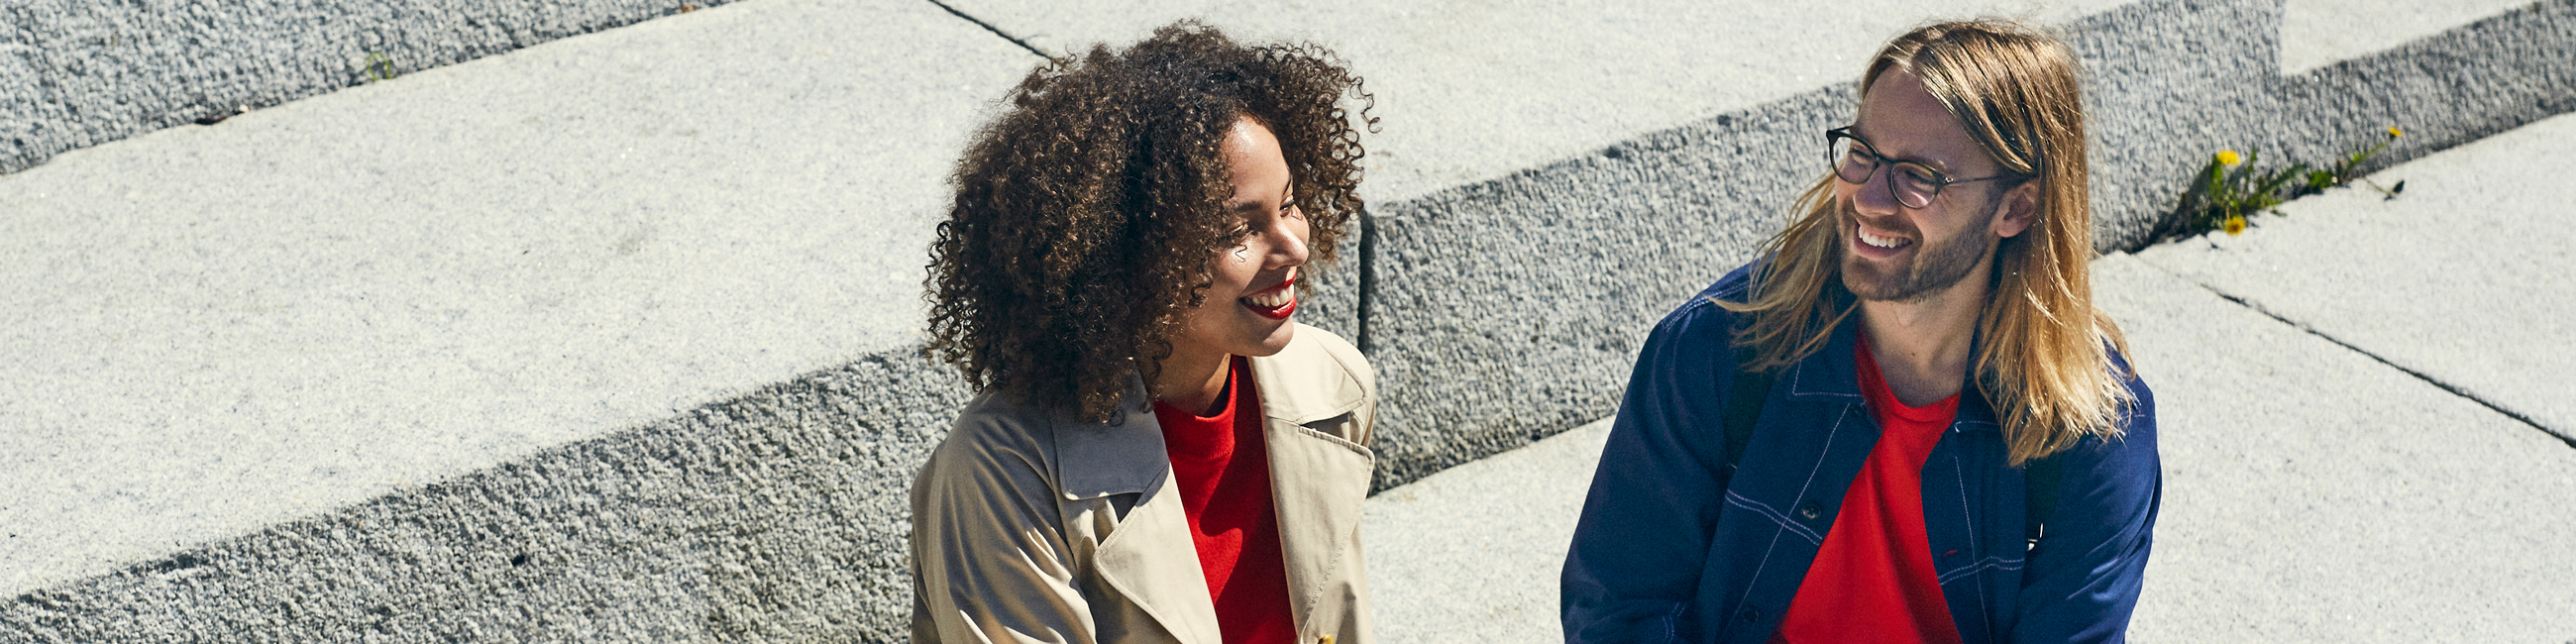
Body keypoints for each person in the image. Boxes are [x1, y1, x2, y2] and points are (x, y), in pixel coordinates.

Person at [1561, 19, 2160, 644]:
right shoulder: (1717, 350)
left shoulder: (2093, 432)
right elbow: (1620, 609)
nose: (1870, 199)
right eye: (1863, 154)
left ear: (2017, 208)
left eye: (1920, 175)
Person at [909, 22, 1379, 644]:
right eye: (1238, 230)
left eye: (1288, 204)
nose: (1294, 245)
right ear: (1130, 256)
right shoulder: (1003, 469)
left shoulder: (1333, 386)